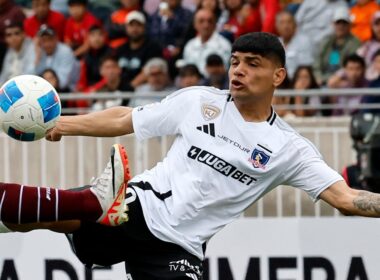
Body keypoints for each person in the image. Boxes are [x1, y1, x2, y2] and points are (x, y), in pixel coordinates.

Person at [4, 32, 380, 279]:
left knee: (60, 212)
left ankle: (89, 201)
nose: (239, 70)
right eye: (235, 61)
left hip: (179, 248)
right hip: (136, 205)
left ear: (278, 76)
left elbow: (346, 198)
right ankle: (90, 201)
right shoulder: (200, 101)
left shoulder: (290, 148)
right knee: (42, 217)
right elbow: (125, 118)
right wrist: (62, 124)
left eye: (252, 63)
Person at [114, 10, 163, 89]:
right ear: (126, 28)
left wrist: (130, 87)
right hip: (120, 89)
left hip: (145, 88)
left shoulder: (153, 48)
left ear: (144, 27)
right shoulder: (120, 49)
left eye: (138, 25)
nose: (134, 29)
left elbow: (152, 69)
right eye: (131, 25)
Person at [313, 7, 361, 86]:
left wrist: (335, 78)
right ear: (333, 24)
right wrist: (318, 76)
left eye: (344, 23)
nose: (341, 26)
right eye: (338, 23)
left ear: (349, 25)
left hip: (342, 81)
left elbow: (351, 67)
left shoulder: (355, 42)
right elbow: (317, 63)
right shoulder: (326, 41)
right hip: (322, 80)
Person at [183, 8, 231, 76]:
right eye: (201, 21)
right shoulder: (189, 46)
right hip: (193, 85)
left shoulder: (224, 45)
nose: (206, 25)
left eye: (210, 21)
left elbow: (223, 73)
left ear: (215, 24)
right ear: (194, 24)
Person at [35, 25, 79, 91]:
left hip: (66, 91)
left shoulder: (65, 51)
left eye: (50, 39)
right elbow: (31, 78)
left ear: (56, 38)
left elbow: (63, 82)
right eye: (44, 40)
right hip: (44, 90)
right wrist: (37, 59)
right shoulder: (38, 51)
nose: (47, 44)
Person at [275, 10, 313, 79]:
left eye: (289, 22)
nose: (286, 26)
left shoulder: (304, 41)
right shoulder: (275, 43)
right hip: (280, 83)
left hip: (298, 83)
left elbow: (305, 68)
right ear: (276, 26)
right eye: (282, 22)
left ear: (295, 25)